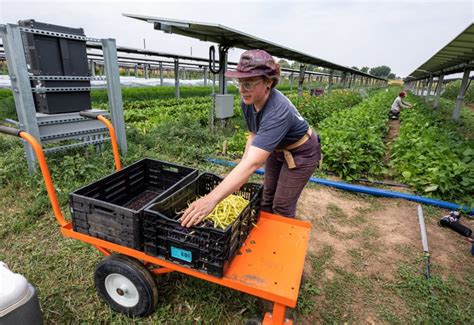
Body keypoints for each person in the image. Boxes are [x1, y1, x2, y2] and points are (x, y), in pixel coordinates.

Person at [180, 49, 321, 227]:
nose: (241, 90)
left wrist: (211, 199)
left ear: (268, 82)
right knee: (267, 195)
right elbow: (253, 135)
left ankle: (279, 242)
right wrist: (242, 169)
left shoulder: (278, 111)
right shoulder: (249, 100)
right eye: (239, 82)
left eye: (248, 84)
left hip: (302, 152)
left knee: (282, 205)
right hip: (276, 149)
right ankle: (266, 234)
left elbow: (254, 164)